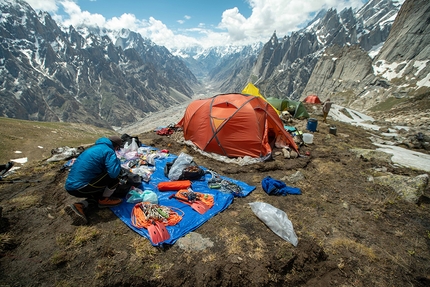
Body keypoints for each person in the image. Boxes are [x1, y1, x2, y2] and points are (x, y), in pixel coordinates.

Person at [64, 136, 124, 225]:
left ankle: (80, 206)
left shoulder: (94, 148)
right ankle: (104, 200)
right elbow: (113, 173)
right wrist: (117, 161)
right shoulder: (109, 151)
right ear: (116, 147)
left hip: (71, 186)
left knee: (100, 192)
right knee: (117, 174)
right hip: (81, 187)